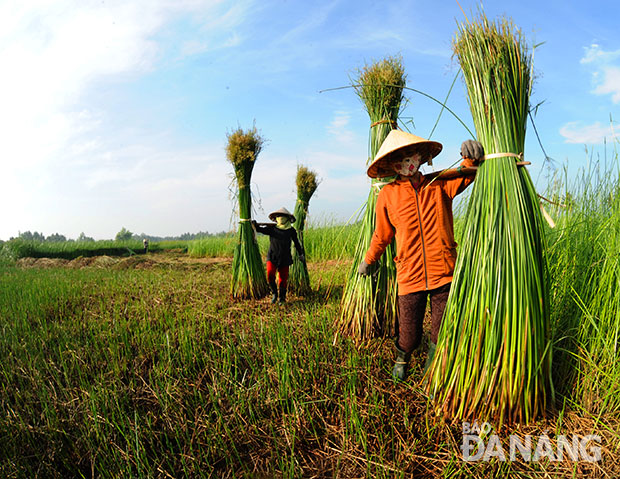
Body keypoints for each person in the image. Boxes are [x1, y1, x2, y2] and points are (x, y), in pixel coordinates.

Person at [358, 129, 484, 381]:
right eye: (400, 159)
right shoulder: (388, 195)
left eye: (411, 156)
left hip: (444, 272)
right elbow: (382, 235)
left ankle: (433, 363)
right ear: (392, 165)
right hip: (409, 274)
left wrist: (470, 156)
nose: (407, 163)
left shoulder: (439, 184)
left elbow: (467, 174)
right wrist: (369, 260)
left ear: (421, 157)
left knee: (440, 329)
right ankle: (402, 357)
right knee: (410, 332)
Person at [253, 207, 305, 304]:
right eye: (278, 216)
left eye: (282, 216)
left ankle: (282, 298)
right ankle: (274, 293)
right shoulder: (271, 229)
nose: (280, 218)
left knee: (283, 279)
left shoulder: (291, 231)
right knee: (270, 275)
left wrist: (300, 253)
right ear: (275, 218)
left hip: (285, 257)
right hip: (272, 256)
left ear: (287, 218)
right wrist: (254, 225)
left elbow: (296, 243)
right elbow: (260, 230)